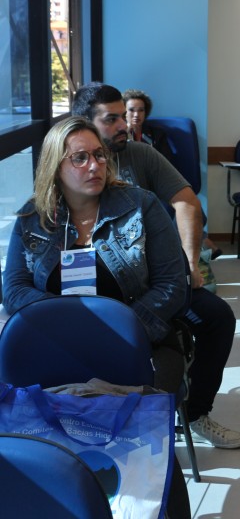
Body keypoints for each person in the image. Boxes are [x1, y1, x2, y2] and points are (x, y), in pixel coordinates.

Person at [1, 116, 191, 517]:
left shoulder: (142, 206)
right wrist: (67, 334)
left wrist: (116, 333)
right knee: (32, 433)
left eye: (99, 156)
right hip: (55, 353)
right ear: (56, 166)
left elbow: (174, 285)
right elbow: (14, 290)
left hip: (142, 344)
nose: (94, 166)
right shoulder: (32, 219)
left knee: (145, 441)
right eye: (80, 158)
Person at [72, 82, 240, 449]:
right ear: (84, 124)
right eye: (112, 119)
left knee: (218, 317)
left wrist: (188, 262)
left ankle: (196, 412)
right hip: (94, 295)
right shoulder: (68, 169)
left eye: (125, 116)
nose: (124, 125)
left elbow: (187, 203)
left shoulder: (140, 155)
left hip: (156, 288)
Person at [122, 87, 222, 260]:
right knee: (173, 208)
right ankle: (204, 242)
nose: (136, 115)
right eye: (131, 110)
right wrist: (127, 134)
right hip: (134, 188)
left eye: (141, 110)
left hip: (157, 185)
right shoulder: (120, 138)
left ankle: (192, 252)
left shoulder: (155, 135)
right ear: (123, 112)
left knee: (186, 204)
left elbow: (165, 162)